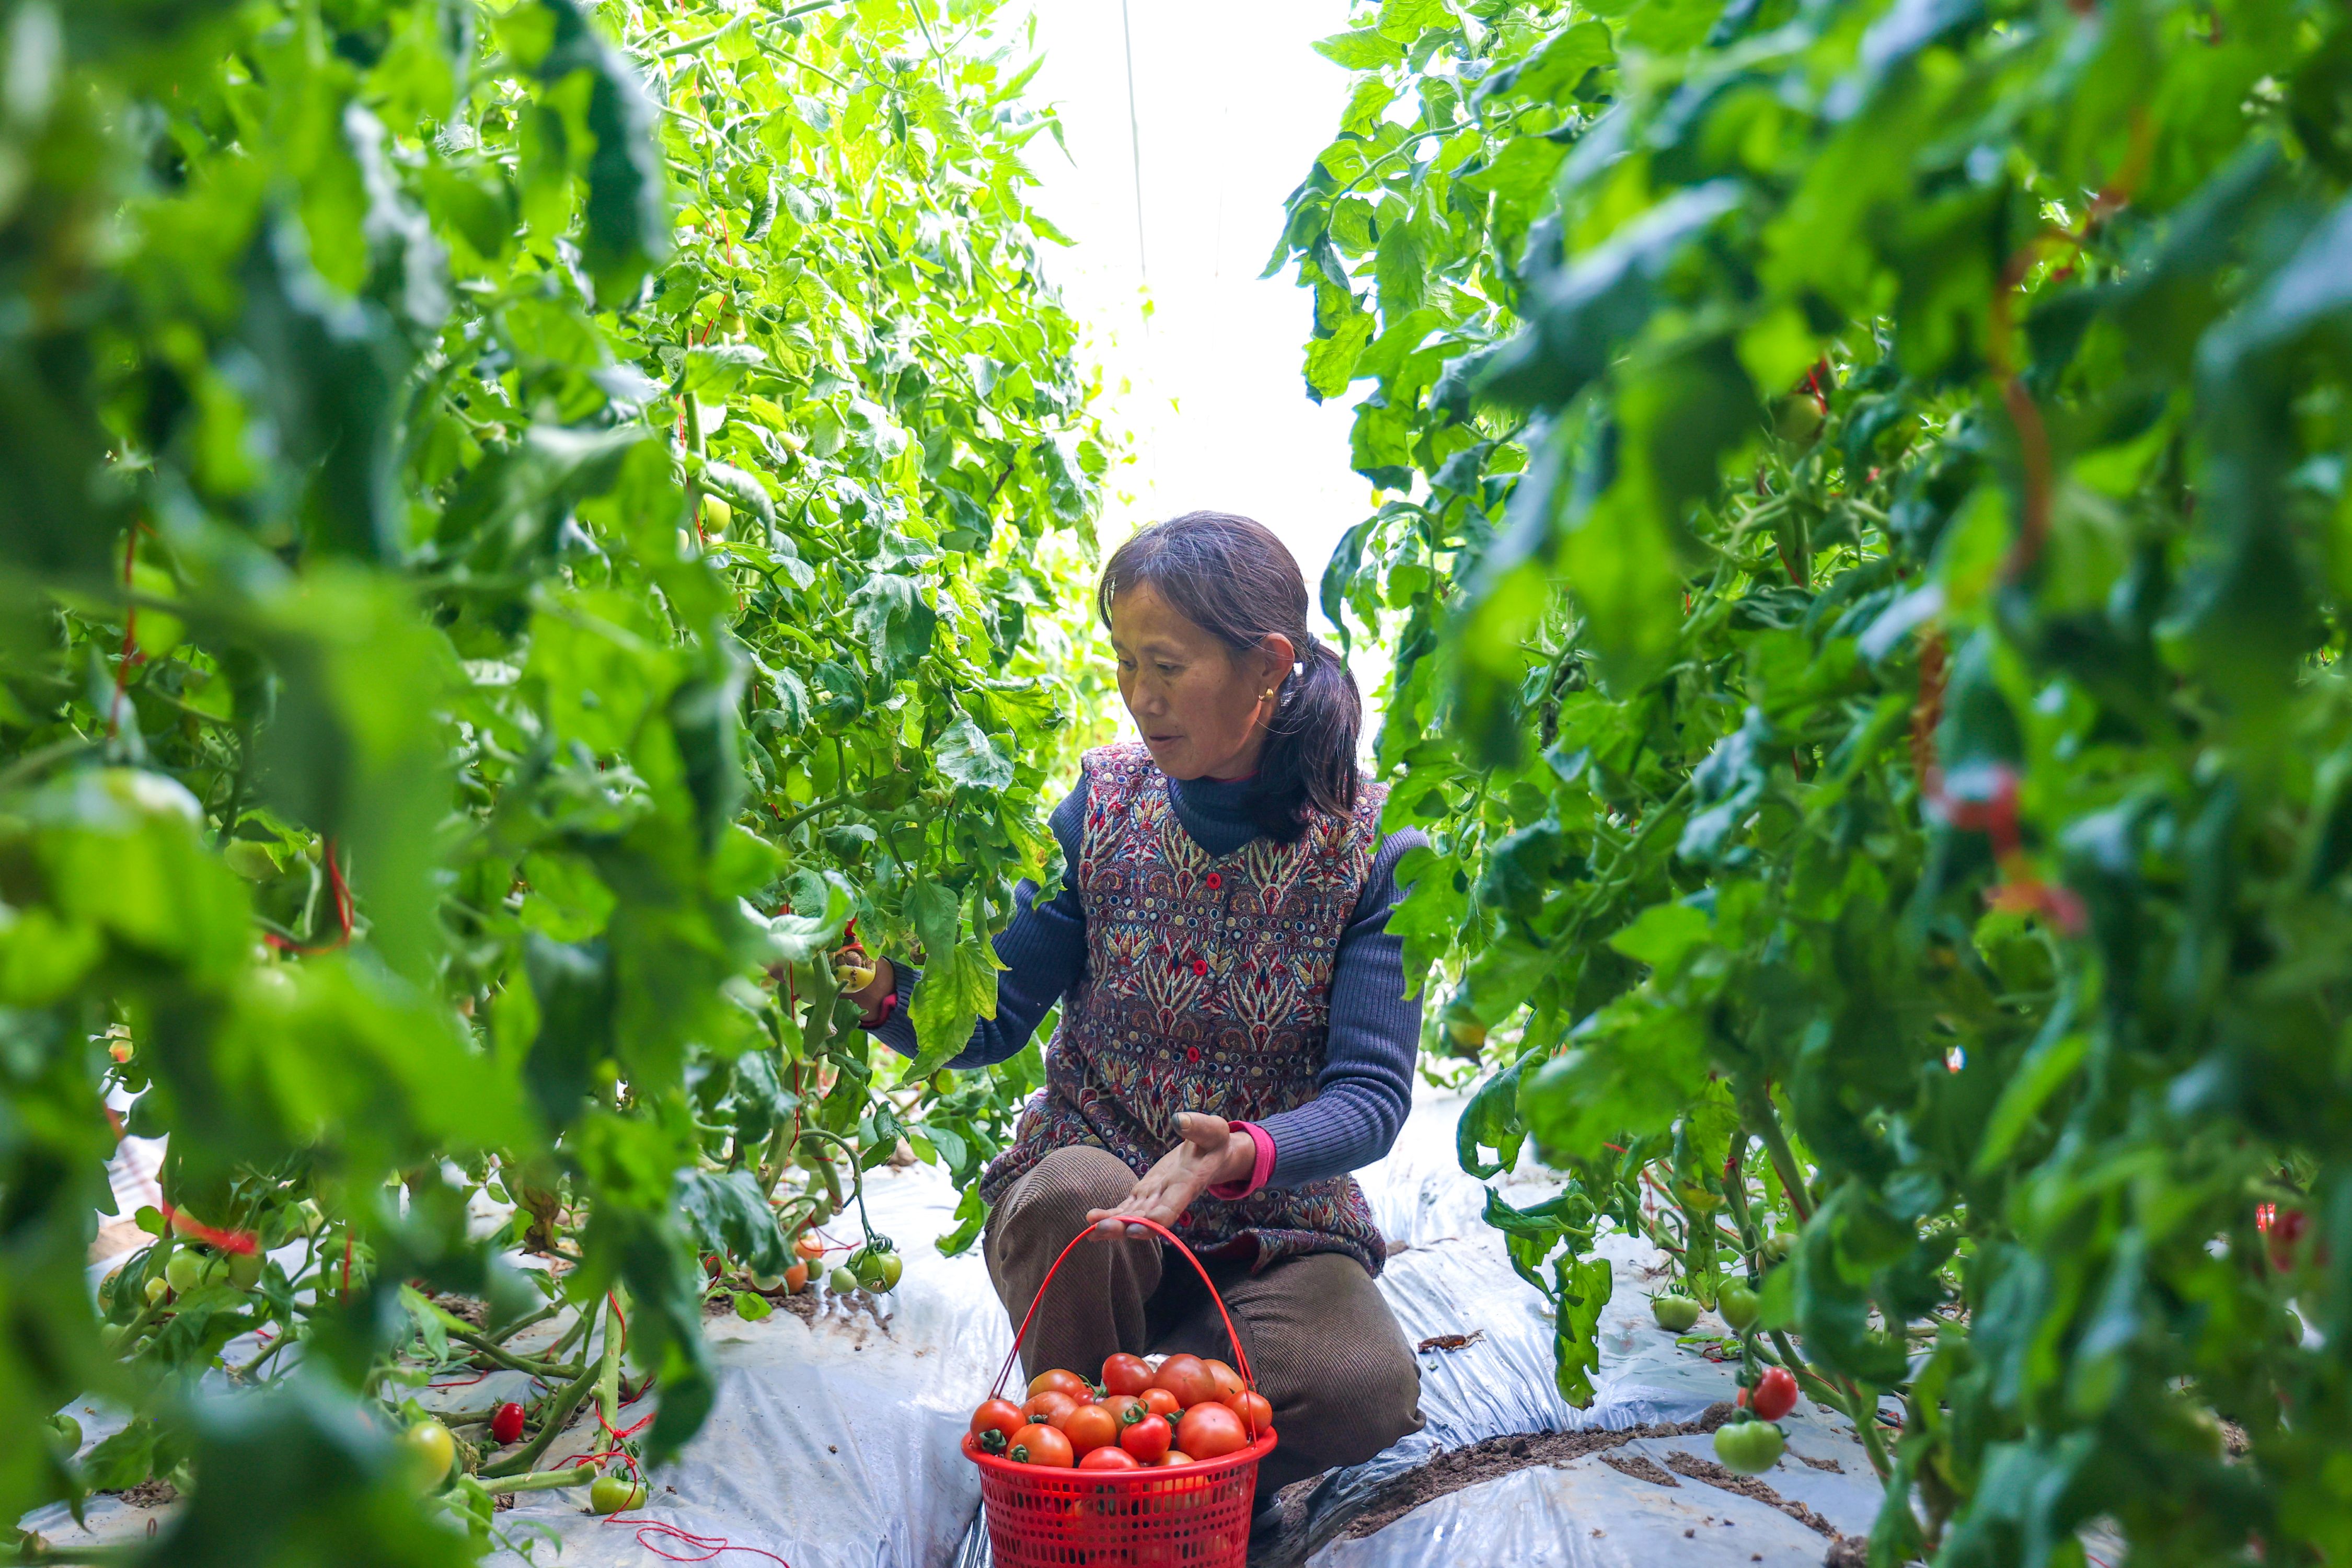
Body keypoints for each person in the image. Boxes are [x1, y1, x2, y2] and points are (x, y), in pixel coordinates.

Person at [840, 510, 1425, 1508]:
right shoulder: (1104, 804)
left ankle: (1136, 1449)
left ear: (1270, 666)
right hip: (1095, 1218)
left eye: (1167, 665)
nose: (1141, 699)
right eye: (1124, 663)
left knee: (1361, 1385)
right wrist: (882, 991)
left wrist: (1236, 1153)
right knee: (1078, 1201)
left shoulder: (1377, 850)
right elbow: (993, 1017)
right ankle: (1107, 1474)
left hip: (1274, 1234)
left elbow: (1370, 1096)